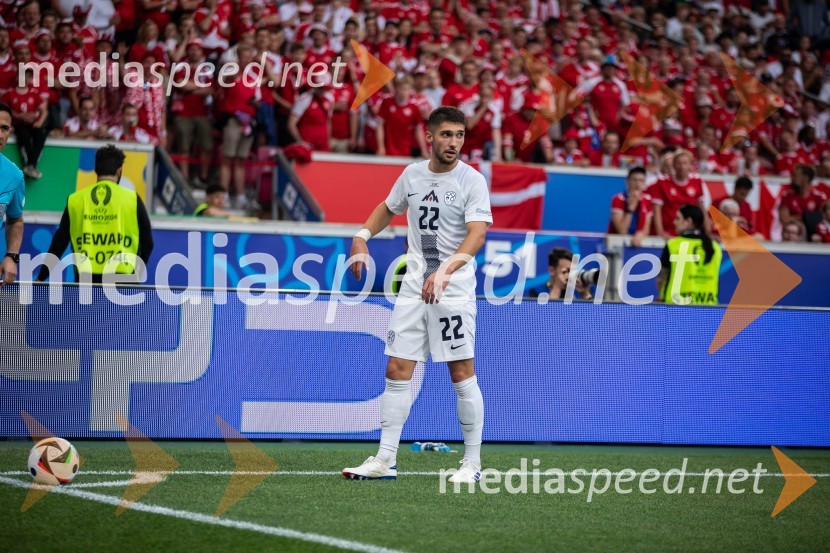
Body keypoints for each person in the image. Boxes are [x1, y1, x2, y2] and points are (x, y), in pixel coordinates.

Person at [343, 107, 492, 484]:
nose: (454, 142)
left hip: (452, 290)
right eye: (446, 135)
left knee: (461, 372)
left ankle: (472, 464)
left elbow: (477, 234)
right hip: (413, 288)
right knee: (397, 369)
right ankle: (385, 459)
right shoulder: (411, 175)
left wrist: (445, 271)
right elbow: (388, 207)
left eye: (459, 135)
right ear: (429, 137)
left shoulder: (472, 180)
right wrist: (361, 236)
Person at [37, 145, 153, 283]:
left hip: (86, 279)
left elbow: (59, 243)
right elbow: (148, 243)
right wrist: (136, 274)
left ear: (95, 169)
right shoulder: (132, 199)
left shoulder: (76, 200)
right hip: (123, 279)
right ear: (119, 170)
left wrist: (41, 277)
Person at [657, 205, 722, 305]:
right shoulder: (716, 248)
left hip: (675, 307)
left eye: (678, 218)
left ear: (688, 222)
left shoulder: (673, 245)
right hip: (708, 307)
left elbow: (661, 279)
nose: (674, 222)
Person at [0, 103, 24, 285]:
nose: (0, 135)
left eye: (4, 128)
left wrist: (11, 256)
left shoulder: (14, 175)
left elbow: (15, 221)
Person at [608, 167, 652, 247]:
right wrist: (630, 209)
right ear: (627, 181)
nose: (638, 184)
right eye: (635, 180)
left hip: (637, 243)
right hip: (616, 244)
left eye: (641, 180)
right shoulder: (618, 199)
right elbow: (622, 231)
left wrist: (640, 235)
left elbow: (646, 229)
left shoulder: (647, 199)